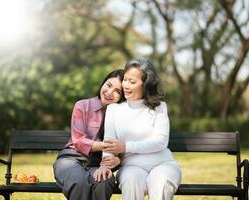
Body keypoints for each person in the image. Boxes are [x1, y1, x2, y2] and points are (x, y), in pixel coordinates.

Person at [95, 58, 181, 200]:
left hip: (162, 164)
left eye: (132, 82)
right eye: (125, 80)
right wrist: (106, 164)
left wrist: (126, 147)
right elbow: (109, 141)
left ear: (146, 85)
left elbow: (161, 142)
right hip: (131, 167)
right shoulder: (114, 109)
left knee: (161, 182)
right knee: (131, 181)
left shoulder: (159, 107)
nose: (126, 85)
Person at [53, 69, 125, 200]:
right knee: (79, 182)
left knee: (104, 181)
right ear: (103, 83)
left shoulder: (121, 116)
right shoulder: (82, 106)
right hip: (71, 159)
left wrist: (117, 160)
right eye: (108, 85)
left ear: (122, 97)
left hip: (98, 164)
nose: (109, 92)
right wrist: (105, 146)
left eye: (117, 91)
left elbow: (122, 150)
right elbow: (79, 141)